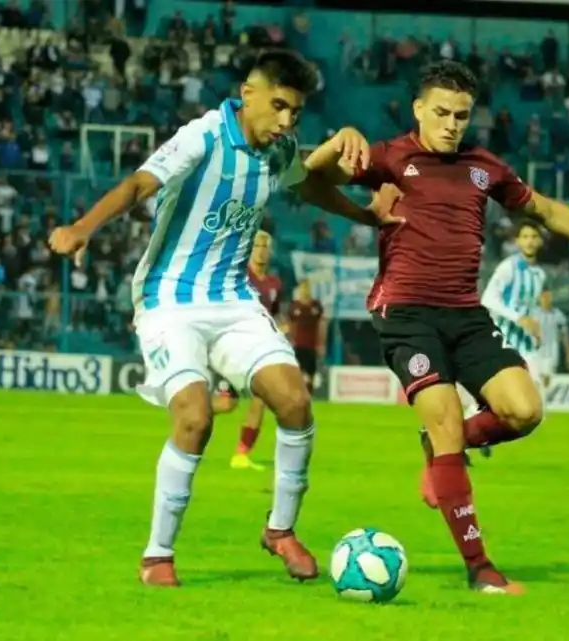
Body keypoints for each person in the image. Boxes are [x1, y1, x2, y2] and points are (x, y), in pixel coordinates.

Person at [305, 60, 569, 594]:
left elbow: (544, 210)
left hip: (466, 314)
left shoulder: (484, 167)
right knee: (448, 419)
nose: (452, 123)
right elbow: (306, 180)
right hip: (406, 314)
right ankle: (481, 569)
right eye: (441, 113)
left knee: (524, 411)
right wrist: (337, 143)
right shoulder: (388, 156)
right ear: (418, 110)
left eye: (461, 115)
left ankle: (439, 451)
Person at [49, 49, 401, 588]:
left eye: (296, 113)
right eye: (279, 106)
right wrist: (82, 228)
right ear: (248, 94)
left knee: (294, 401)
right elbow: (141, 184)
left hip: (233, 301)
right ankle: (157, 555)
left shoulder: (278, 148)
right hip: (170, 299)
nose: (286, 121)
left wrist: (366, 217)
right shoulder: (204, 135)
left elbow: (305, 185)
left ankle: (279, 530)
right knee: (195, 418)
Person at [421, 221, 546, 484]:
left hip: (525, 343)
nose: (530, 241)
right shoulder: (509, 267)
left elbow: (530, 308)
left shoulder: (539, 275)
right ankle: (453, 441)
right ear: (517, 241)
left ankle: (457, 441)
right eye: (525, 236)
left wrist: (535, 327)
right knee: (511, 407)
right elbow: (489, 299)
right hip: (499, 342)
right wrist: (519, 318)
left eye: (534, 236)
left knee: (530, 409)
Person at [226, 229, 285, 472]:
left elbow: (276, 314)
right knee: (226, 404)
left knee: (260, 399)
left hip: (259, 349)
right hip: (235, 346)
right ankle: (189, 411)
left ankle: (241, 455)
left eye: (265, 246)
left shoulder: (274, 283)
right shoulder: (239, 278)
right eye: (257, 245)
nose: (261, 250)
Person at [288, 279, 326, 393]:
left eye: (307, 288)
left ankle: (308, 397)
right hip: (298, 345)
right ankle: (298, 395)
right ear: (299, 290)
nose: (305, 290)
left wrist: (322, 344)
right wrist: (290, 340)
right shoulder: (294, 306)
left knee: (311, 373)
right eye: (303, 288)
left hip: (312, 345)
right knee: (298, 373)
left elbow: (321, 324)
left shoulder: (316, 305)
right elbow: (291, 325)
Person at [532, 290, 569, 389]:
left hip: (551, 351)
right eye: (543, 297)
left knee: (547, 378)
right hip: (536, 351)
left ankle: (544, 399)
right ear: (539, 299)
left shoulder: (558, 315)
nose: (546, 299)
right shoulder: (533, 313)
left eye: (548, 297)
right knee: (535, 379)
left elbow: (565, 335)